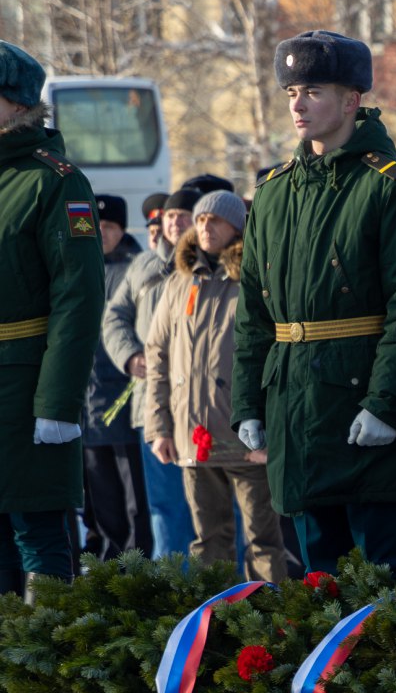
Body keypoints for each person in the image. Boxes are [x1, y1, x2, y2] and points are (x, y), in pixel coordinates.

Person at [233, 30, 396, 574]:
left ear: (351, 101)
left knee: (381, 573)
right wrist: (248, 402)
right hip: (294, 406)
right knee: (316, 575)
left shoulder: (394, 187)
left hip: (360, 399)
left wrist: (385, 404)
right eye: (291, 92)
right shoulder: (273, 192)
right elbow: (254, 314)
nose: (297, 104)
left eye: (313, 91)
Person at [0, 40, 106, 596]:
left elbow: (78, 297)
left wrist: (58, 403)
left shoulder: (54, 181)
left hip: (25, 388)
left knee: (37, 532)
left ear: (18, 104)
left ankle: (47, 648)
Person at [145, 190, 284, 582]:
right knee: (207, 540)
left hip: (246, 437)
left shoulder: (254, 277)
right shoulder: (180, 281)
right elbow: (157, 354)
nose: (206, 226)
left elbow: (274, 355)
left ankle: (269, 613)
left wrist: (271, 430)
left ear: (236, 227)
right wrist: (159, 427)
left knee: (262, 541)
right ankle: (214, 613)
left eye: (216, 220)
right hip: (193, 437)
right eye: (201, 219)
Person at [102, 186, 200, 558]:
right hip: (152, 404)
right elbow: (113, 319)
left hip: (201, 404)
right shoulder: (143, 266)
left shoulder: (211, 264)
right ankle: (171, 581)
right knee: (164, 505)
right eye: (170, 216)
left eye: (184, 216)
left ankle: (224, 580)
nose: (175, 222)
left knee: (212, 504)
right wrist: (130, 356)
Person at [83, 194, 152, 560]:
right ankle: (112, 567)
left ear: (122, 229)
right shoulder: (81, 267)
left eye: (109, 226)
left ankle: (137, 563)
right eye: (96, 226)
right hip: (89, 405)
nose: (102, 233)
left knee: (134, 498)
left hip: (125, 400)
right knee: (102, 496)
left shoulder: (135, 269)